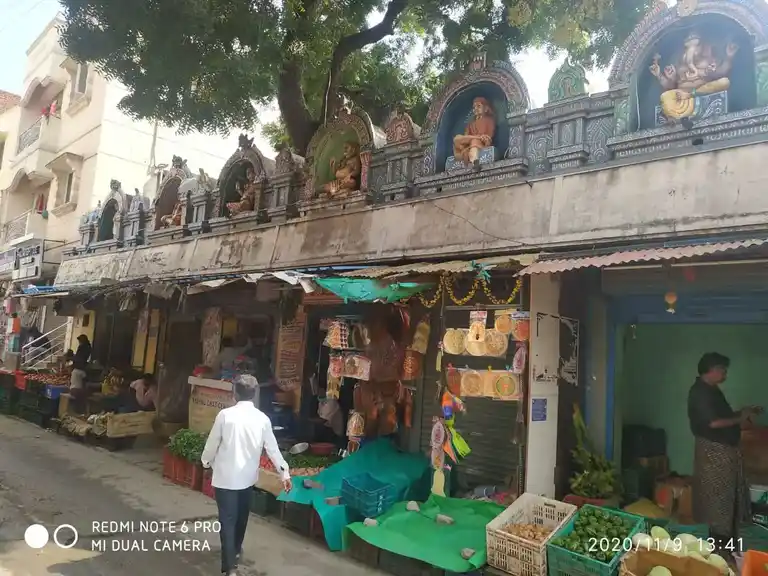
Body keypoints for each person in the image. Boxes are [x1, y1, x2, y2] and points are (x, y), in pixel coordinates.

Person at [201, 375, 291, 576]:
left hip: (225, 479)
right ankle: (233, 554)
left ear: (234, 393)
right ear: (255, 393)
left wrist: (205, 463)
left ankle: (230, 567)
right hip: (247, 479)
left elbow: (211, 444)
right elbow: (273, 450)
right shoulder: (262, 420)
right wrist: (284, 473)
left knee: (227, 520)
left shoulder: (225, 416)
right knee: (241, 518)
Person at [687, 352, 763, 553]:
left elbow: (723, 417)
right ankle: (715, 546)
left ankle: (725, 542)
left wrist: (743, 412)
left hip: (724, 451)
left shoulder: (712, 390)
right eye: (722, 369)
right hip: (713, 454)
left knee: (726, 499)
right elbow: (712, 422)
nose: (725, 374)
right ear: (711, 370)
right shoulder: (699, 392)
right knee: (715, 501)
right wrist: (740, 418)